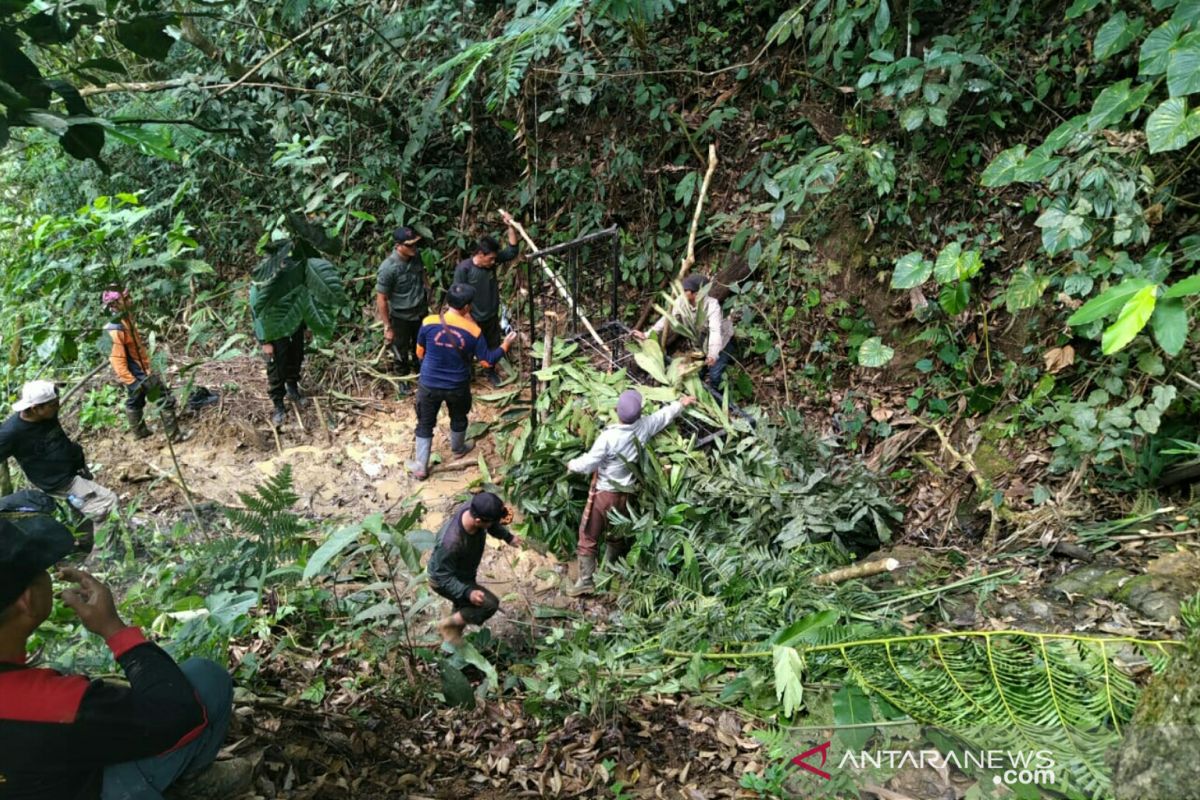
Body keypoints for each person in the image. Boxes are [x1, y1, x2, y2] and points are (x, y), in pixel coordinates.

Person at [0, 515, 246, 799]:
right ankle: (187, 782)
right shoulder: (55, 703)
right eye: (42, 570)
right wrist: (113, 629)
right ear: (27, 601)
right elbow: (179, 714)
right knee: (206, 680)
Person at [565, 389, 696, 595]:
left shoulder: (608, 436)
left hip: (604, 494)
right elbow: (663, 416)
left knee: (588, 535)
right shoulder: (643, 427)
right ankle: (610, 571)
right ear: (639, 412)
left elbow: (589, 463)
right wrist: (681, 403)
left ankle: (586, 581)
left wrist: (572, 464)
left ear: (616, 410)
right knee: (616, 532)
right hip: (626, 494)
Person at [410, 283, 517, 481]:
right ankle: (458, 449)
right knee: (458, 417)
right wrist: (506, 344)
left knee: (424, 424)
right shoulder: (473, 331)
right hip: (457, 385)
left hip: (429, 384)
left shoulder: (428, 322)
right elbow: (487, 361)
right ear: (467, 307)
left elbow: (419, 352)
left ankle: (421, 468)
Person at [0, 381, 117, 538]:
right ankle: (102, 558)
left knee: (82, 508)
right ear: (35, 408)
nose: (58, 406)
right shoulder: (11, 433)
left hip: (72, 467)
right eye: (53, 404)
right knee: (106, 503)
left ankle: (85, 542)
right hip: (60, 481)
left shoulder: (46, 413)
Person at [427, 492, 522, 646]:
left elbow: (492, 525)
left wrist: (508, 537)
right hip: (444, 579)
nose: (493, 525)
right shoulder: (451, 543)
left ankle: (450, 642)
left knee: (464, 607)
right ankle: (447, 626)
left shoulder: (474, 508)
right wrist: (467, 592)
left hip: (464, 572)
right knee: (488, 604)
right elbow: (441, 577)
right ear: (478, 521)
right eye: (491, 522)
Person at [102, 288, 183, 441]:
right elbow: (116, 358)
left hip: (136, 368)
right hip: (136, 371)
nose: (131, 300)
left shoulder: (124, 319)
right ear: (115, 304)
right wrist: (131, 381)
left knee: (135, 400)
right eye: (126, 298)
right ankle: (174, 436)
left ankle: (140, 433)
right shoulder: (115, 328)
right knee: (164, 398)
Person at [452, 211, 521, 387]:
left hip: (490, 315)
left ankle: (490, 371)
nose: (493, 262)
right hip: (472, 317)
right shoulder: (464, 269)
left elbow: (513, 250)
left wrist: (510, 226)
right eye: (490, 259)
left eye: (494, 259)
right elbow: (457, 297)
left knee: (491, 345)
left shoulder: (492, 263)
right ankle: (468, 375)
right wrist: (469, 319)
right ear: (480, 254)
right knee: (467, 347)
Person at [634, 274, 735, 392]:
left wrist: (712, 354)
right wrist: (647, 334)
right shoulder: (682, 301)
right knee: (695, 372)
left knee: (715, 375)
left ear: (696, 294)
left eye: (686, 290)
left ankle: (717, 399)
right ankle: (698, 395)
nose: (682, 292)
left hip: (721, 344)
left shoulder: (712, 306)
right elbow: (666, 318)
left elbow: (715, 331)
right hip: (700, 343)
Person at [250, 240, 309, 427]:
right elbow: (257, 311)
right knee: (276, 369)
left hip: (293, 324)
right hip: (273, 331)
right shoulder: (261, 279)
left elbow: (301, 297)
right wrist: (264, 341)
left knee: (296, 357)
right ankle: (278, 405)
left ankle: (293, 390)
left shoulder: (291, 270)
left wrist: (305, 326)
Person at [375, 226, 429, 383]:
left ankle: (421, 374)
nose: (414, 247)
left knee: (421, 346)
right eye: (409, 245)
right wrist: (387, 326)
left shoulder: (416, 256)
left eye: (415, 244)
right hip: (401, 317)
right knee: (400, 350)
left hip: (420, 312)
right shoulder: (388, 268)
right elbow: (381, 299)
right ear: (398, 246)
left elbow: (422, 275)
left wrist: (427, 288)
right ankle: (403, 379)